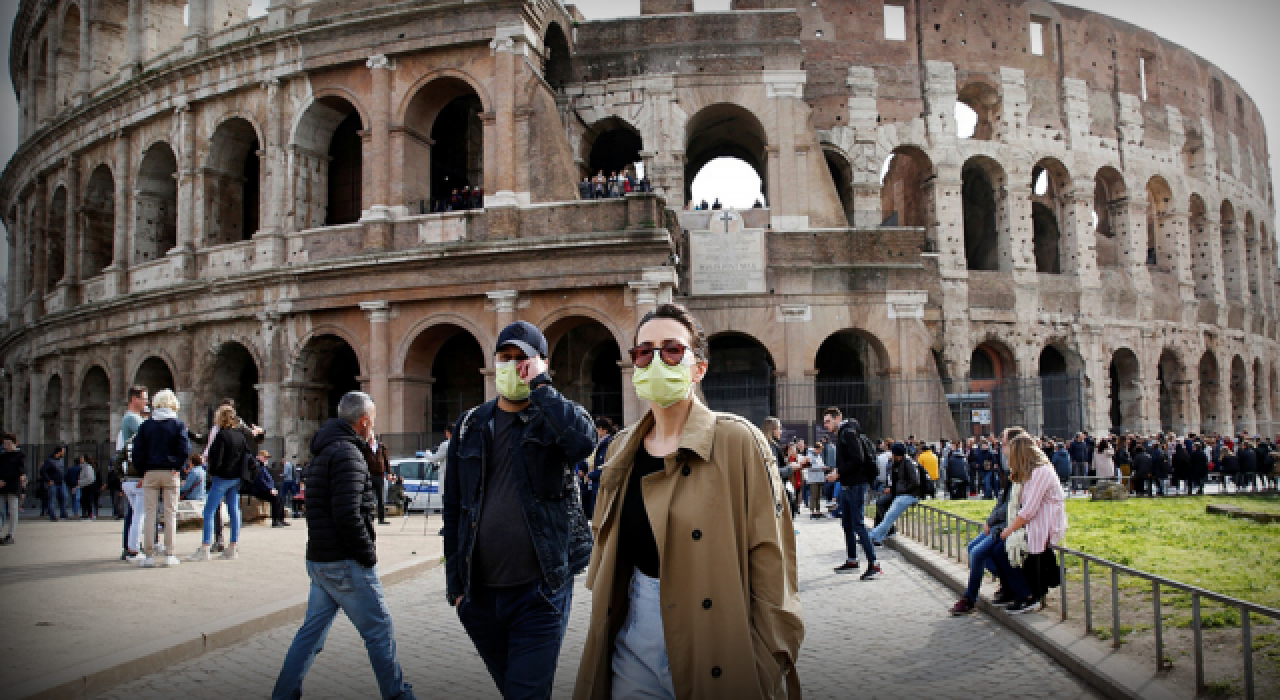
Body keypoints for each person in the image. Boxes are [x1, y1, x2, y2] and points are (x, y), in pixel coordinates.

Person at [573, 302, 802, 700]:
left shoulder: (738, 441)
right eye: (644, 351)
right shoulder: (621, 449)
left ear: (699, 367)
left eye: (672, 350)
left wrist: (764, 665)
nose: (657, 360)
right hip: (635, 638)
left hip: (719, 638)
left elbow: (773, 566)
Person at [443, 320, 596, 699]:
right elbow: (454, 509)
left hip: (538, 592)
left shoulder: (556, 418)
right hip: (479, 597)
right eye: (505, 358)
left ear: (542, 363)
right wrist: (456, 589)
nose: (514, 367)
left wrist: (542, 388)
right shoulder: (471, 425)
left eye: (523, 359)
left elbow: (583, 443)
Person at [272, 392, 417, 700]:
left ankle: (283, 694)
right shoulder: (349, 454)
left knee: (312, 634)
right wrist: (367, 555)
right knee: (379, 629)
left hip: (321, 558)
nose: (373, 426)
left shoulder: (324, 451)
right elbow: (348, 514)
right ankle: (398, 695)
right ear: (363, 421)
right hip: (344, 560)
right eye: (373, 420)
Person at [996, 434, 1068, 610]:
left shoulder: (1041, 471)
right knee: (999, 549)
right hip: (1035, 522)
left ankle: (1028, 594)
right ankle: (1020, 591)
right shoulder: (1032, 472)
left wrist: (1009, 530)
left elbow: (1029, 509)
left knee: (1003, 548)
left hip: (1046, 522)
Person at [133, 389, 191, 567]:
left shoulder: (146, 425)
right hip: (170, 471)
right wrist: (178, 466)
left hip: (150, 471)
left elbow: (137, 452)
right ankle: (169, 554)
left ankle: (149, 555)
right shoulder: (177, 424)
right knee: (170, 513)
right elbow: (185, 449)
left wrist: (143, 470)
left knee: (150, 513)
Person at [191, 404, 252, 561]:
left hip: (221, 478)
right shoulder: (240, 436)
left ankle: (205, 547)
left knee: (209, 511)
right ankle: (233, 547)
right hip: (236, 478)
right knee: (234, 511)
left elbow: (217, 458)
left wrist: (212, 471)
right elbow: (247, 455)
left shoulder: (221, 436)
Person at [825, 407, 879, 579]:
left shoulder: (847, 432)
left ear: (837, 418)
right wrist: (839, 472)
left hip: (856, 485)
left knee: (858, 524)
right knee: (847, 524)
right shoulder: (844, 433)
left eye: (828, 421)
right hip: (848, 485)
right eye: (824, 421)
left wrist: (839, 473)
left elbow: (858, 459)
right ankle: (852, 560)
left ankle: (874, 564)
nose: (826, 425)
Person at [869, 442, 921, 546]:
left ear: (898, 455)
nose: (892, 455)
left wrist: (901, 490)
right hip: (900, 494)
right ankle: (878, 538)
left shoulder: (908, 463)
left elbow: (915, 482)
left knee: (889, 517)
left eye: (893, 454)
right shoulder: (898, 463)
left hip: (908, 495)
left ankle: (871, 536)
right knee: (885, 511)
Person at [118, 386, 148, 560]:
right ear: (134, 399)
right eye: (144, 398)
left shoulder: (132, 418)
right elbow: (147, 436)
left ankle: (131, 546)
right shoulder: (131, 418)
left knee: (135, 513)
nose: (146, 401)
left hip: (130, 471)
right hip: (136, 472)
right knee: (138, 514)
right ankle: (132, 548)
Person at [251, 450, 290, 527]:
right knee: (275, 499)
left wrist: (272, 488)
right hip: (260, 490)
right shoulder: (257, 466)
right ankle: (275, 520)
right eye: (265, 457)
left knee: (281, 498)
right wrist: (269, 489)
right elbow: (260, 480)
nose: (266, 459)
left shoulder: (263, 466)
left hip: (267, 489)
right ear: (259, 457)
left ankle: (281, 519)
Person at [0, 433, 26, 545]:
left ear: (14, 443)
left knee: (12, 511)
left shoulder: (20, 455)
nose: (6, 446)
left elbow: (20, 471)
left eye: (8, 444)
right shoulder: (2, 455)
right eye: (4, 444)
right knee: (0, 511)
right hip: (1, 486)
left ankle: (10, 534)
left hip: (13, 485)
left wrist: (5, 480)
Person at [40, 446, 69, 522]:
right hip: (53, 483)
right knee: (52, 499)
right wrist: (48, 480)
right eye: (63, 451)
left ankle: (63, 514)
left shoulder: (61, 460)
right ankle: (53, 516)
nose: (64, 453)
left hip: (61, 482)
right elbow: (43, 471)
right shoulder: (49, 461)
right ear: (59, 452)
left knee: (64, 497)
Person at [369, 434, 391, 525]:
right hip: (369, 475)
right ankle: (369, 518)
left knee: (380, 498)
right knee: (369, 498)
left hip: (379, 475)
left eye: (371, 436)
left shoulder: (381, 447)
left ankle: (381, 518)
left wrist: (389, 473)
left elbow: (386, 460)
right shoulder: (364, 446)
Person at [77, 455, 99, 520]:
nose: (80, 459)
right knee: (84, 501)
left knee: (88, 501)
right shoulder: (83, 467)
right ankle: (85, 514)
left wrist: (79, 482)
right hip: (84, 486)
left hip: (88, 487)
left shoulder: (87, 467)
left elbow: (89, 478)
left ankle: (90, 514)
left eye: (82, 458)